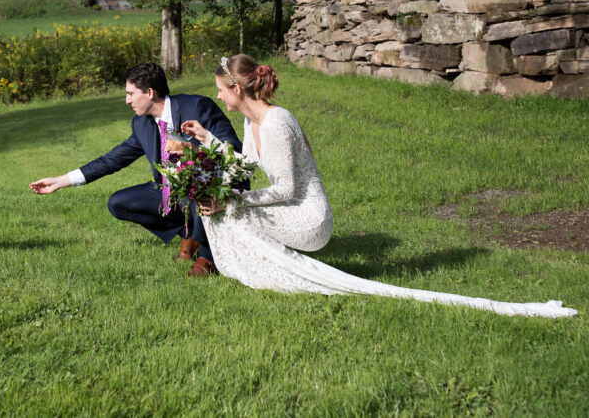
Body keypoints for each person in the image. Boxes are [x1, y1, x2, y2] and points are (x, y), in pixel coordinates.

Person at [178, 55, 577, 317]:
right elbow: (245, 164)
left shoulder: (277, 122)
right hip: (288, 206)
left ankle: (279, 276)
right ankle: (263, 271)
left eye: (221, 89)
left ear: (238, 89)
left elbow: (284, 191)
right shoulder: (252, 121)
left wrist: (236, 199)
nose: (218, 96)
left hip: (308, 218)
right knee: (221, 209)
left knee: (230, 209)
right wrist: (206, 139)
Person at [30, 62, 241, 276]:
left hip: (211, 188)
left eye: (130, 94)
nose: (127, 100)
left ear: (149, 92)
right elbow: (111, 160)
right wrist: (60, 181)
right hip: (171, 192)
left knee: (200, 189)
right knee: (118, 203)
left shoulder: (197, 106)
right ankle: (190, 234)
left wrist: (195, 150)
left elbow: (233, 149)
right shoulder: (141, 124)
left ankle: (207, 256)